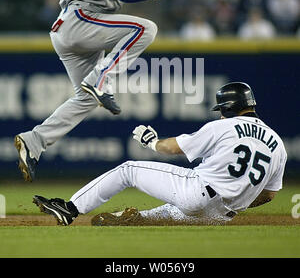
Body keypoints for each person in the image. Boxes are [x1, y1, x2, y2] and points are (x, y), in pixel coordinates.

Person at [15, 0, 167, 182]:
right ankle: (100, 79)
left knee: (85, 99)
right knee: (146, 28)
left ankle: (34, 141)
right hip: (84, 19)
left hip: (64, 28)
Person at [33, 82, 287, 226]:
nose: (220, 113)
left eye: (222, 108)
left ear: (230, 107)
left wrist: (152, 142)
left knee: (128, 170)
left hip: (197, 192)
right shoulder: (278, 144)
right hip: (221, 215)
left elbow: (175, 148)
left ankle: (70, 208)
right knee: (163, 215)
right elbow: (269, 195)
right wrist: (236, 201)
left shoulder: (224, 126)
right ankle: (129, 220)